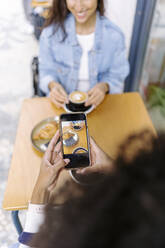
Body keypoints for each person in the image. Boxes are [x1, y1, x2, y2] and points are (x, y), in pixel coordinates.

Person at [39, 0, 129, 108]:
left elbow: (117, 75)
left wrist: (104, 86)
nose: (79, 6)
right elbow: (46, 71)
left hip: (100, 107)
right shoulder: (50, 34)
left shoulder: (114, 36)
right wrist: (52, 85)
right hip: (61, 108)